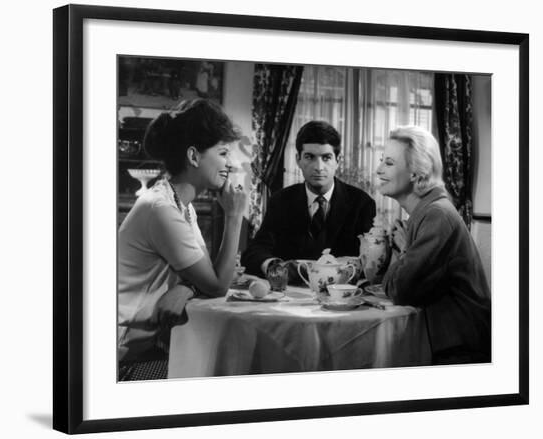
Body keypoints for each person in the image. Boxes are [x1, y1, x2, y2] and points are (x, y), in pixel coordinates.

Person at [118, 99, 247, 379]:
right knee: (218, 375)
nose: (231, 164)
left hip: (147, 347)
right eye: (223, 153)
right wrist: (234, 216)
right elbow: (216, 286)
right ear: (193, 156)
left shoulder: (181, 206)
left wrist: (187, 288)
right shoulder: (161, 209)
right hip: (121, 363)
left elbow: (207, 278)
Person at [376, 125, 491, 365]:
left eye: (388, 163)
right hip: (443, 341)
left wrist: (405, 248)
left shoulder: (436, 215)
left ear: (416, 173)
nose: (378, 170)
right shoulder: (426, 212)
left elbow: (398, 289)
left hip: (461, 351)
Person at [241, 120, 376, 282]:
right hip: (290, 297)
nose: (318, 167)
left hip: (339, 298)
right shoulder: (281, 201)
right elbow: (255, 251)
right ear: (298, 159)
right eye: (310, 157)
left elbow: (368, 262)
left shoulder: (361, 203)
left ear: (337, 161)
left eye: (326, 158)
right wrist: (273, 266)